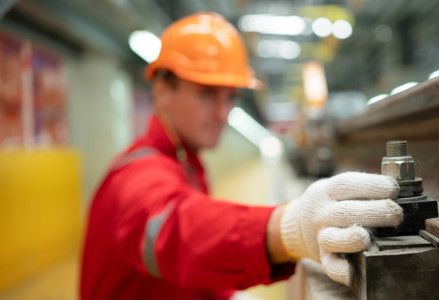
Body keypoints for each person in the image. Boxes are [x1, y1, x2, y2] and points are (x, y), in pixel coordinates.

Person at [80, 12, 403, 300]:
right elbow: (178, 232)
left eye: (231, 97)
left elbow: (189, 270)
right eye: (207, 93)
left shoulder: (188, 162)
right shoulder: (135, 176)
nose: (223, 113)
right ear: (162, 89)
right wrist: (286, 228)